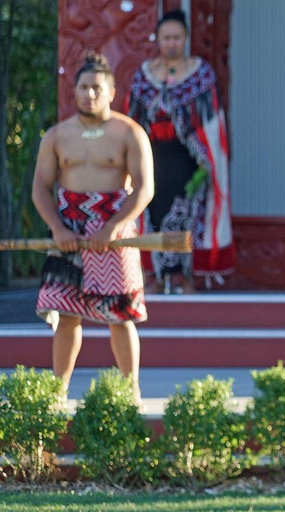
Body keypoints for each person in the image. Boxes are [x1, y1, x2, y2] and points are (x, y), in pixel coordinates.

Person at [32, 53, 154, 406]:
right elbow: (41, 187)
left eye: (96, 88)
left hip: (114, 232)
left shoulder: (130, 132)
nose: (89, 94)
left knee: (121, 315)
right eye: (83, 88)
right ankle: (58, 393)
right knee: (66, 314)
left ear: (111, 91)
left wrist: (113, 227)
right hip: (68, 229)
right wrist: (57, 227)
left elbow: (145, 188)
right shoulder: (57, 135)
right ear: (75, 91)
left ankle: (131, 391)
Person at [126, 9, 234, 294]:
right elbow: (132, 123)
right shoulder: (143, 77)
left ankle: (185, 276)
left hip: (189, 161)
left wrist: (206, 163)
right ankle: (153, 275)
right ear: (158, 40)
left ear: (185, 39)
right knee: (152, 214)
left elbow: (213, 125)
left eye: (177, 37)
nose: (171, 43)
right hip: (153, 159)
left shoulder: (201, 75)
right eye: (166, 38)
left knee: (187, 216)